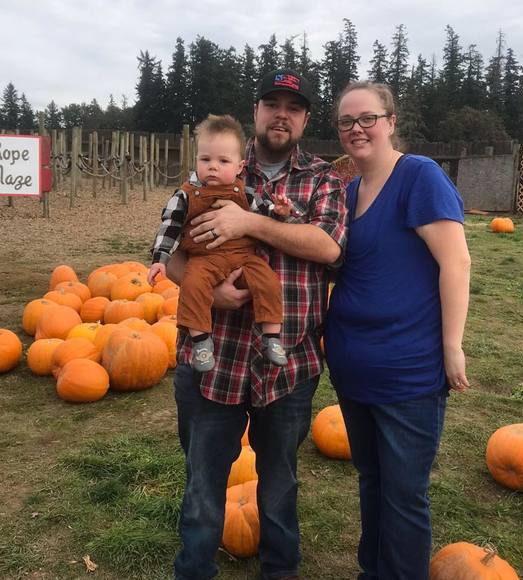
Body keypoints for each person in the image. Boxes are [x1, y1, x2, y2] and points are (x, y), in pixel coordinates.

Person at [166, 69, 347, 580]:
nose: (281, 115)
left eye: (293, 107)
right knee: (203, 485)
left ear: (305, 119)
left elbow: (328, 246)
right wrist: (210, 294)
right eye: (272, 104)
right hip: (213, 361)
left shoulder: (323, 179)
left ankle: (279, 571)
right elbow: (173, 254)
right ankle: (194, 571)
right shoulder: (214, 167)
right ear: (256, 112)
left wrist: (248, 222)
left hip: (288, 362)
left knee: (279, 484)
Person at [324, 81, 471, 580]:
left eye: (367, 118)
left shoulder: (419, 176)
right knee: (371, 480)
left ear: (390, 122)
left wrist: (452, 346)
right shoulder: (348, 192)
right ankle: (373, 571)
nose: (356, 129)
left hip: (407, 370)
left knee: (404, 494)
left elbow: (456, 263)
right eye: (346, 121)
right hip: (353, 366)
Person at [148, 114, 292, 371]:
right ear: (196, 160)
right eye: (206, 160)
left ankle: (272, 336)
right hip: (204, 259)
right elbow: (169, 226)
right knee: (193, 284)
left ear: (239, 166)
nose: (213, 167)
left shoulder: (245, 193)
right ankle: (201, 342)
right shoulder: (185, 195)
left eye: (223, 161)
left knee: (268, 281)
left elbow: (264, 213)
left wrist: (278, 211)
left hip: (243, 257)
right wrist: (160, 259)